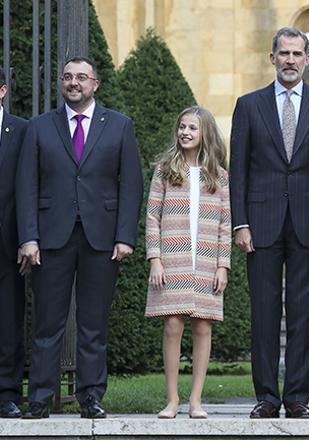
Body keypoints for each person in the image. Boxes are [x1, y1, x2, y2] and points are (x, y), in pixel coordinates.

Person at [17, 57, 143, 419]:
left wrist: (125, 237)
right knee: (47, 324)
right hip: (50, 240)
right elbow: (27, 185)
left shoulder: (119, 126)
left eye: (82, 78)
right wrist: (29, 237)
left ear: (95, 84)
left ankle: (91, 397)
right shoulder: (39, 127)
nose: (74, 83)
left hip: (101, 240)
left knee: (93, 324)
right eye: (69, 77)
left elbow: (131, 185)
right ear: (61, 82)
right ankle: (39, 398)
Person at [229, 27, 309, 419]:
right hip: (259, 224)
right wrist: (239, 223)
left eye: (297, 54)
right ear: (272, 57)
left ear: (308, 60)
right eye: (284, 53)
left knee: (303, 312)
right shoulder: (248, 105)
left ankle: (297, 398)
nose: (290, 60)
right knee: (263, 313)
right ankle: (266, 397)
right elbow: (237, 171)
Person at [145, 106, 231, 419]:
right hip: (173, 258)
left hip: (206, 260)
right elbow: (152, 217)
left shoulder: (219, 176)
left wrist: (223, 265)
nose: (185, 133)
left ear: (205, 132)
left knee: (203, 326)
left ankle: (196, 400)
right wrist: (155, 258)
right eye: (182, 127)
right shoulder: (166, 169)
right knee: (172, 324)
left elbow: (225, 222)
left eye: (192, 128)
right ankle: (172, 399)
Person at [0, 69, 28, 419]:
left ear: (3, 90)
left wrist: (27, 239)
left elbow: (29, 187)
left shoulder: (22, 131)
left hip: (8, 245)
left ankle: (7, 393)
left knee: (8, 323)